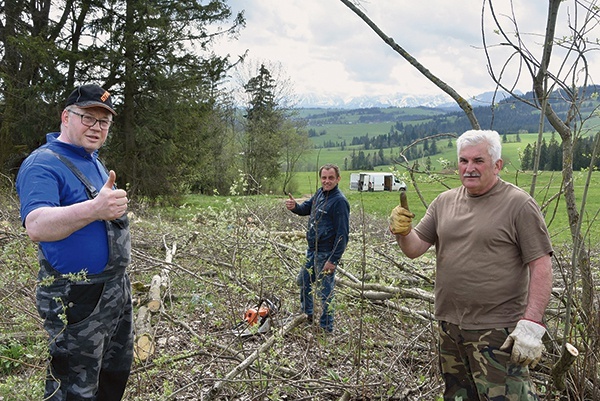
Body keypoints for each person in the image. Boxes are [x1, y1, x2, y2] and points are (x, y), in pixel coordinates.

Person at [389, 130, 553, 400]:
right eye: (464, 161)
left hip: (498, 331)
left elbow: (541, 266)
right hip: (450, 327)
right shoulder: (444, 202)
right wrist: (402, 232)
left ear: (497, 165)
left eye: (478, 161)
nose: (469, 168)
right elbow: (415, 249)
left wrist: (532, 325)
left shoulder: (518, 204)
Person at [16, 84, 133, 401]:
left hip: (115, 291)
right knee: (73, 388)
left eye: (104, 122)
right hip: (75, 298)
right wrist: (95, 208)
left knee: (113, 377)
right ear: (66, 116)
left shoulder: (92, 160)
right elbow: (37, 225)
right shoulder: (43, 164)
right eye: (88, 118)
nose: (97, 127)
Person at [285, 164, 350, 333]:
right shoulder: (320, 193)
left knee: (325, 292)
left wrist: (333, 260)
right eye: (324, 177)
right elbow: (305, 208)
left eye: (330, 178)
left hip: (326, 253)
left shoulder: (340, 202)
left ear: (338, 179)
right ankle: (307, 316)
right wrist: (294, 207)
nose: (326, 181)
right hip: (312, 250)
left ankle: (326, 329)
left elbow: (343, 235)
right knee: (303, 281)